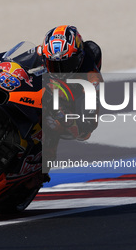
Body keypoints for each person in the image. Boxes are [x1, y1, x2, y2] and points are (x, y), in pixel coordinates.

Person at [41, 25, 103, 161]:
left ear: (79, 57)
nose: (59, 70)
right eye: (53, 64)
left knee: (83, 129)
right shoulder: (42, 52)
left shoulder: (88, 65)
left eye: (66, 64)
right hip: (44, 86)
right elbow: (16, 59)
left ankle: (43, 162)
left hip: (72, 95)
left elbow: (85, 132)